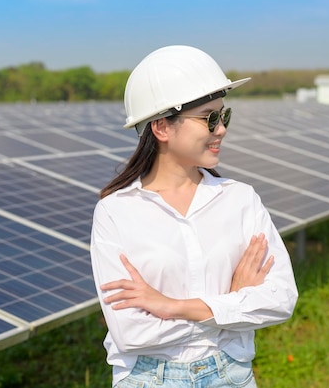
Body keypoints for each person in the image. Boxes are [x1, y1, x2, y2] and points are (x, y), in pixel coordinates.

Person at [90, 45, 298, 388]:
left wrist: (172, 306)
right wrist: (231, 305)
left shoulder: (240, 200)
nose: (222, 130)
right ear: (161, 127)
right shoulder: (116, 212)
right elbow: (131, 333)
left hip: (231, 377)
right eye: (209, 118)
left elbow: (281, 300)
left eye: (224, 115)